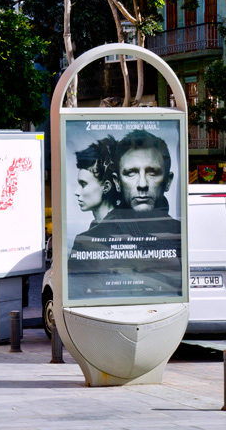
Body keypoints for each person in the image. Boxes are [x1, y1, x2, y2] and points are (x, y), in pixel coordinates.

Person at [68, 129, 181, 301]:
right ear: (117, 182)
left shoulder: (180, 234)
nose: (142, 184)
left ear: (168, 181)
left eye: (152, 172)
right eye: (131, 173)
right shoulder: (87, 241)